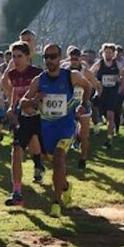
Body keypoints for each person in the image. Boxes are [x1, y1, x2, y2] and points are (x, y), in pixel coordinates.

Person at [22, 43, 98, 216]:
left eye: (53, 56)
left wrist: (84, 104)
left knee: (58, 158)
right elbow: (23, 103)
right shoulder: (39, 80)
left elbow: (88, 87)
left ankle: (55, 203)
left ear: (60, 57)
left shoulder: (72, 76)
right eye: (46, 57)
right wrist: (35, 100)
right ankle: (65, 186)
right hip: (47, 129)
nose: (49, 60)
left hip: (66, 126)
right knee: (55, 163)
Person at [1, 41, 43, 206]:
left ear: (28, 57)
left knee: (43, 150)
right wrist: (12, 107)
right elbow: (15, 92)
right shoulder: (12, 74)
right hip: (22, 118)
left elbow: (43, 92)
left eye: (20, 56)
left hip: (39, 116)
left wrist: (34, 103)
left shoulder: (37, 73)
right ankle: (17, 191)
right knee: (17, 150)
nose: (16, 60)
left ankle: (41, 166)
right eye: (13, 56)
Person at [90, 44, 122, 154]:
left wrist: (119, 81)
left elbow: (123, 75)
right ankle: (96, 126)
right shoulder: (99, 64)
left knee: (110, 116)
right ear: (102, 53)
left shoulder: (117, 64)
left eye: (110, 53)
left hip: (112, 93)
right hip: (101, 93)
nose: (108, 54)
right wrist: (96, 82)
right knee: (95, 109)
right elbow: (89, 73)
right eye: (106, 52)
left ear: (113, 54)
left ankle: (109, 138)